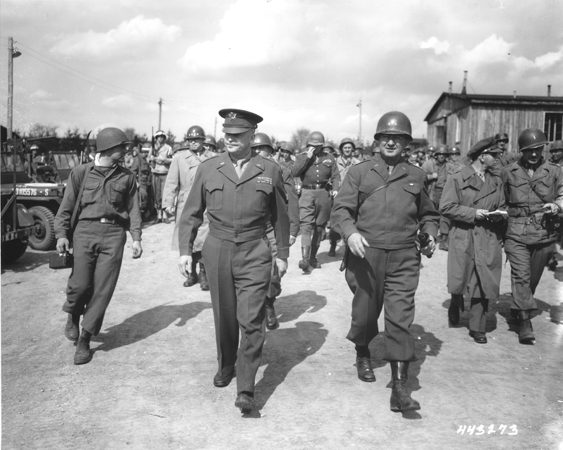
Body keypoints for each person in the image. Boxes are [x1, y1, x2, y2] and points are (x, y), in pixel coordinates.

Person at [178, 109, 290, 413]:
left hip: (255, 249)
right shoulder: (209, 168)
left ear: (251, 137)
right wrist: (185, 251)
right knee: (224, 315)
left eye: (237, 135)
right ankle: (226, 365)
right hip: (217, 248)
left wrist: (282, 255)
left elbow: (280, 216)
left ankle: (246, 386)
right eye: (227, 134)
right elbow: (190, 212)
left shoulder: (269, 169)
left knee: (251, 319)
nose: (229, 139)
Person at [331, 111, 439, 412]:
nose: (392, 142)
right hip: (366, 254)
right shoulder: (359, 173)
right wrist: (350, 233)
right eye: (386, 138)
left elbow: (428, 213)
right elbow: (341, 210)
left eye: (399, 138)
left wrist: (430, 232)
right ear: (377, 141)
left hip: (404, 256)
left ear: (406, 143)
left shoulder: (416, 175)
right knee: (365, 314)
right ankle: (363, 352)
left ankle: (400, 388)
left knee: (400, 317)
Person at [54, 127, 143, 365]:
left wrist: (136, 238)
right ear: (106, 148)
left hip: (114, 234)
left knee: (103, 289)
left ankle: (84, 339)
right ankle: (73, 313)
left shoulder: (127, 176)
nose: (126, 151)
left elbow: (134, 209)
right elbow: (66, 206)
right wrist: (62, 234)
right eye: (121, 147)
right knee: (80, 284)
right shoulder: (81, 173)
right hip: (84, 232)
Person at [440, 137, 506, 343]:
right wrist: (474, 213)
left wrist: (501, 215)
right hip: (464, 235)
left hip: (487, 237)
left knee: (483, 281)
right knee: (461, 277)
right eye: (493, 155)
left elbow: (503, 205)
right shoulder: (458, 178)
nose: (497, 158)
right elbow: (446, 207)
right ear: (482, 156)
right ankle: (456, 300)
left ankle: (478, 326)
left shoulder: (496, 181)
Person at [500, 128, 563, 344]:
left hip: (544, 233)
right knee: (521, 276)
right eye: (529, 151)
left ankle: (520, 307)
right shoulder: (509, 171)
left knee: (532, 280)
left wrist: (556, 205)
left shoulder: (554, 171)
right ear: (521, 151)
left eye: (537, 149)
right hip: (516, 231)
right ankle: (525, 323)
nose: (534, 154)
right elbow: (502, 198)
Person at [251, 132, 299, 329]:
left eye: (262, 149)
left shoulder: (280, 170)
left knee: (274, 272)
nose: (257, 152)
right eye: (254, 149)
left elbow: (292, 202)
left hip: (272, 227)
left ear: (270, 151)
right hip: (251, 229)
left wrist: (293, 230)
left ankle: (269, 303)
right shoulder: (243, 170)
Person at [163, 125, 214, 290]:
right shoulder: (179, 158)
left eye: (196, 139)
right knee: (187, 236)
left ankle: (204, 274)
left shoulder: (213, 157)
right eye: (190, 140)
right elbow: (171, 181)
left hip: (207, 203)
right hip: (186, 202)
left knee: (205, 238)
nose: (193, 143)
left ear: (202, 140)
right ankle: (190, 273)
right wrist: (168, 203)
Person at [292, 131, 340, 271]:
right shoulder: (301, 157)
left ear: (322, 146)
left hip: (324, 194)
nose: (315, 148)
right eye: (312, 145)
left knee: (319, 228)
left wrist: (336, 188)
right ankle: (304, 259)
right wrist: (307, 158)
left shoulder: (329, 158)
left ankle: (313, 257)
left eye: (318, 146)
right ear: (308, 145)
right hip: (307, 193)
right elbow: (295, 172)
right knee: (306, 226)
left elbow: (336, 176)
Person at [328, 137, 361, 256]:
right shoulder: (335, 162)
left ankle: (348, 247)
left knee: (351, 221)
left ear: (352, 149)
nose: (347, 150)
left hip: (352, 195)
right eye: (345, 148)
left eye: (349, 148)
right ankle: (333, 245)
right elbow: (330, 176)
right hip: (338, 194)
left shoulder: (357, 163)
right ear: (341, 149)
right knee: (335, 220)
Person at [422, 144, 451, 250]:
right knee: (430, 215)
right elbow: (420, 176)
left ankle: (444, 240)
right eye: (440, 154)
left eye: (444, 154)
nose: (442, 156)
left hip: (445, 193)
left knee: (445, 215)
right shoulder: (428, 164)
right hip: (431, 192)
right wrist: (431, 176)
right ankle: (428, 238)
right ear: (436, 155)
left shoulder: (449, 166)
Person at [149, 130, 173, 223]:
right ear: (156, 138)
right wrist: (151, 159)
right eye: (159, 137)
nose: (160, 138)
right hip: (155, 173)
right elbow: (148, 159)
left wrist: (164, 160)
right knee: (157, 194)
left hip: (165, 173)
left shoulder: (168, 148)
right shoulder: (153, 148)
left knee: (165, 194)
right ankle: (159, 215)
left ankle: (165, 214)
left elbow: (172, 159)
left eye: (162, 136)